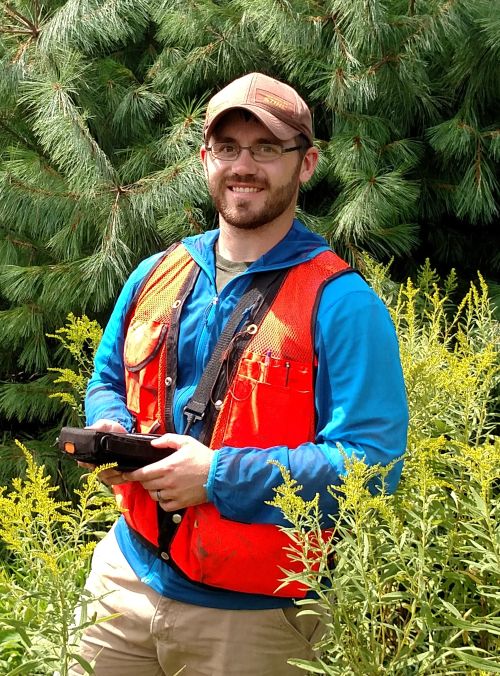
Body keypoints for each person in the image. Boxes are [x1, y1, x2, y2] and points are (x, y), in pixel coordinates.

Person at [71, 72, 408, 676]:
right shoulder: (157, 271)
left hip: (255, 621)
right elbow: (105, 381)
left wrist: (219, 477)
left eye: (267, 149)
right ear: (206, 158)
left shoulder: (342, 303)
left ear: (306, 164)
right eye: (227, 148)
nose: (243, 165)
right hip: (122, 582)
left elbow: (375, 465)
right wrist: (113, 433)